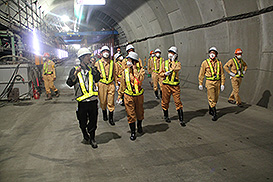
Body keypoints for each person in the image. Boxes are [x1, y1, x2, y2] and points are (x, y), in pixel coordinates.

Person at [66, 48, 101, 148]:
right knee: (82, 121)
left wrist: (94, 67)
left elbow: (98, 78)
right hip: (82, 102)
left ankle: (93, 138)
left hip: (93, 100)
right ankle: (85, 133)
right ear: (81, 58)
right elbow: (69, 83)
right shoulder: (74, 69)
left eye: (89, 56)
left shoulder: (91, 69)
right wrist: (75, 74)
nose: (89, 58)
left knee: (93, 121)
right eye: (87, 56)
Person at [117, 52, 145, 141]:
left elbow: (140, 80)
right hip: (128, 96)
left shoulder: (141, 70)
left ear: (134, 61)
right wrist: (120, 95)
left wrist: (135, 69)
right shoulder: (125, 72)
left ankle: (139, 125)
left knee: (139, 113)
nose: (127, 62)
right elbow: (122, 85)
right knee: (130, 114)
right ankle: (133, 132)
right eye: (127, 60)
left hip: (138, 96)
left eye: (129, 60)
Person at [159, 46, 186, 126]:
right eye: (170, 52)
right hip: (166, 85)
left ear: (176, 55)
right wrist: (164, 74)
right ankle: (166, 116)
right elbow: (160, 74)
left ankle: (181, 119)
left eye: (173, 53)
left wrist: (173, 60)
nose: (170, 54)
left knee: (178, 102)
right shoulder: (164, 63)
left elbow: (176, 69)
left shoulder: (178, 63)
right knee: (165, 101)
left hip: (175, 86)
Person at [198, 47, 225, 121]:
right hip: (209, 82)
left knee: (216, 98)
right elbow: (201, 74)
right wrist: (200, 83)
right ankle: (215, 113)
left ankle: (211, 108)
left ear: (216, 54)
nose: (212, 54)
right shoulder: (205, 63)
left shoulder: (219, 63)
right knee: (212, 97)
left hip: (217, 82)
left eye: (214, 53)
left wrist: (222, 83)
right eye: (211, 52)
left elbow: (222, 74)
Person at [95, 46, 117, 126]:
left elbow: (115, 73)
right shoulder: (97, 63)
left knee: (111, 102)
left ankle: (111, 118)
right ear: (101, 53)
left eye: (107, 51)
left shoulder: (112, 63)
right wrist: (96, 85)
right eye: (104, 51)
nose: (106, 53)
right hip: (102, 84)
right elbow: (95, 75)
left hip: (111, 84)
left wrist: (117, 84)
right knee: (103, 101)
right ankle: (104, 114)